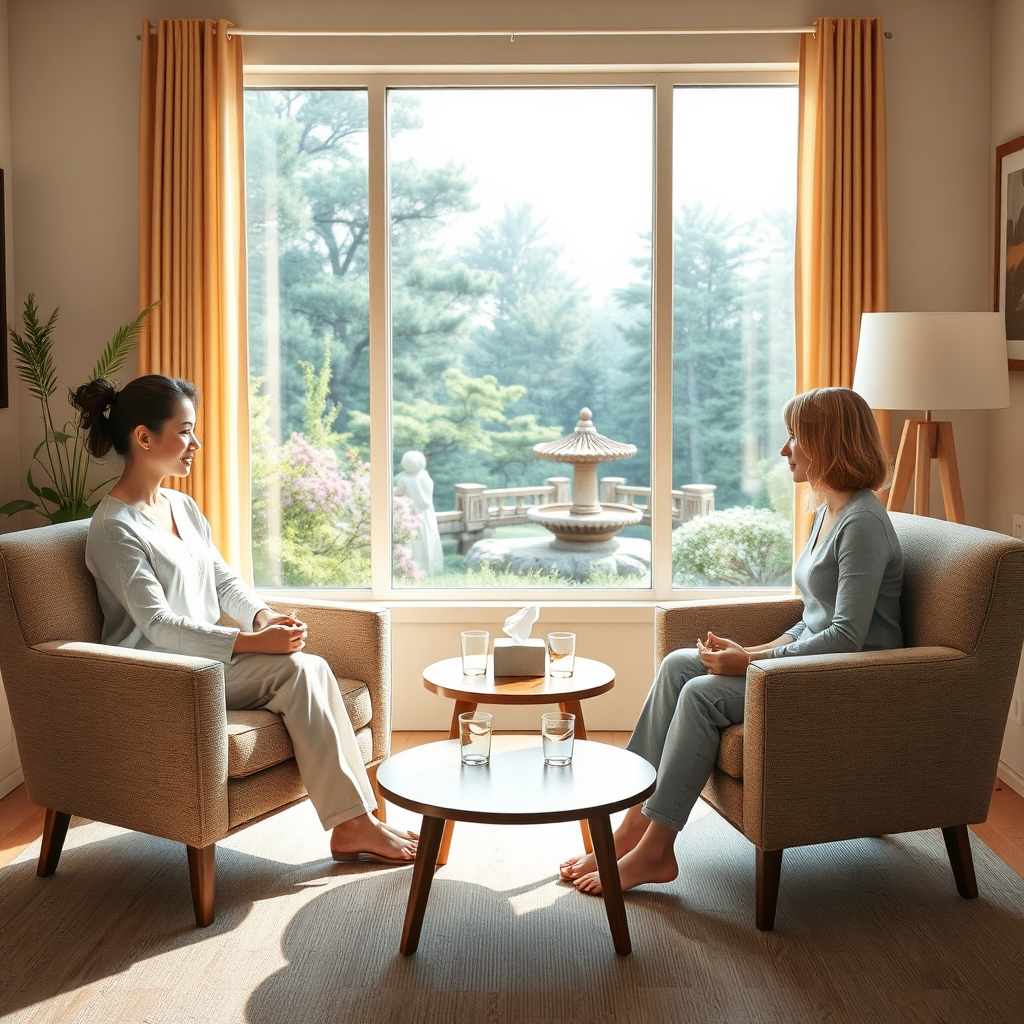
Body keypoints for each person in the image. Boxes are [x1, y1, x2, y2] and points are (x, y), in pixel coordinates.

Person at [561, 386, 904, 895]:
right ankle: (633, 824)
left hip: (847, 679)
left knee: (701, 695)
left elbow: (846, 637)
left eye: (795, 437)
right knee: (680, 664)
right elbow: (812, 619)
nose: (785, 450)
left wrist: (752, 664)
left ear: (829, 443)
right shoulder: (827, 512)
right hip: (812, 662)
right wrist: (749, 654)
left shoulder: (863, 523)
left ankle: (656, 851)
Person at [73, 374, 417, 865]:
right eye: (185, 431)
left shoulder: (181, 506)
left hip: (206, 662)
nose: (196, 444)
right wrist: (255, 645)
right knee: (298, 671)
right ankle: (353, 826)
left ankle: (356, 823)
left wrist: (263, 618)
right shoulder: (114, 529)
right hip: (160, 674)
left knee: (311, 666)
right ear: (144, 437)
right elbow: (159, 625)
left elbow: (222, 580)